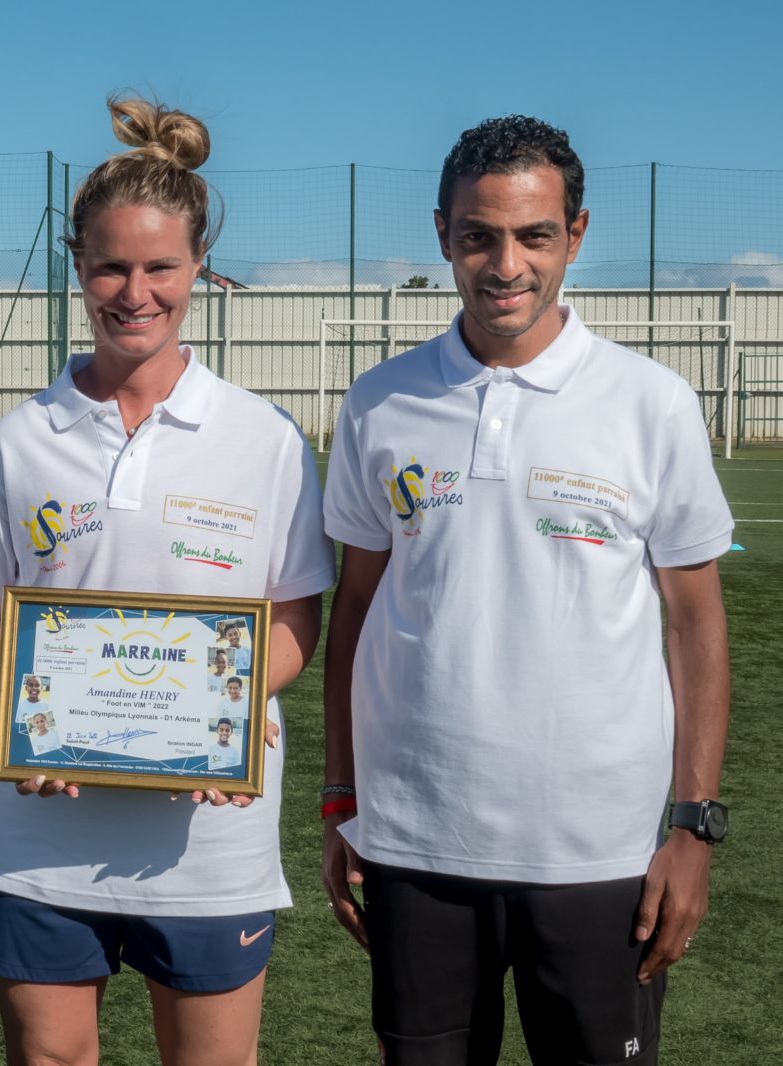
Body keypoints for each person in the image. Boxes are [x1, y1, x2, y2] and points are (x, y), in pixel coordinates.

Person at [322, 115, 732, 1066]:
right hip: (417, 843)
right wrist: (343, 799)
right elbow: (354, 609)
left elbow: (697, 623)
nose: (505, 264)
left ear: (575, 236)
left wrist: (694, 830)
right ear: (443, 235)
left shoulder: (649, 401)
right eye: (478, 235)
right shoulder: (380, 401)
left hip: (600, 852)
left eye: (533, 235)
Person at [0, 97, 331, 1066]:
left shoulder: (264, 438)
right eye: (111, 265)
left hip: (208, 847)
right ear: (77, 265)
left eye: (160, 266)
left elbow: (293, 617)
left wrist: (230, 715)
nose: (134, 289)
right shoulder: (19, 438)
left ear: (198, 266)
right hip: (39, 827)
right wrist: (26, 705)